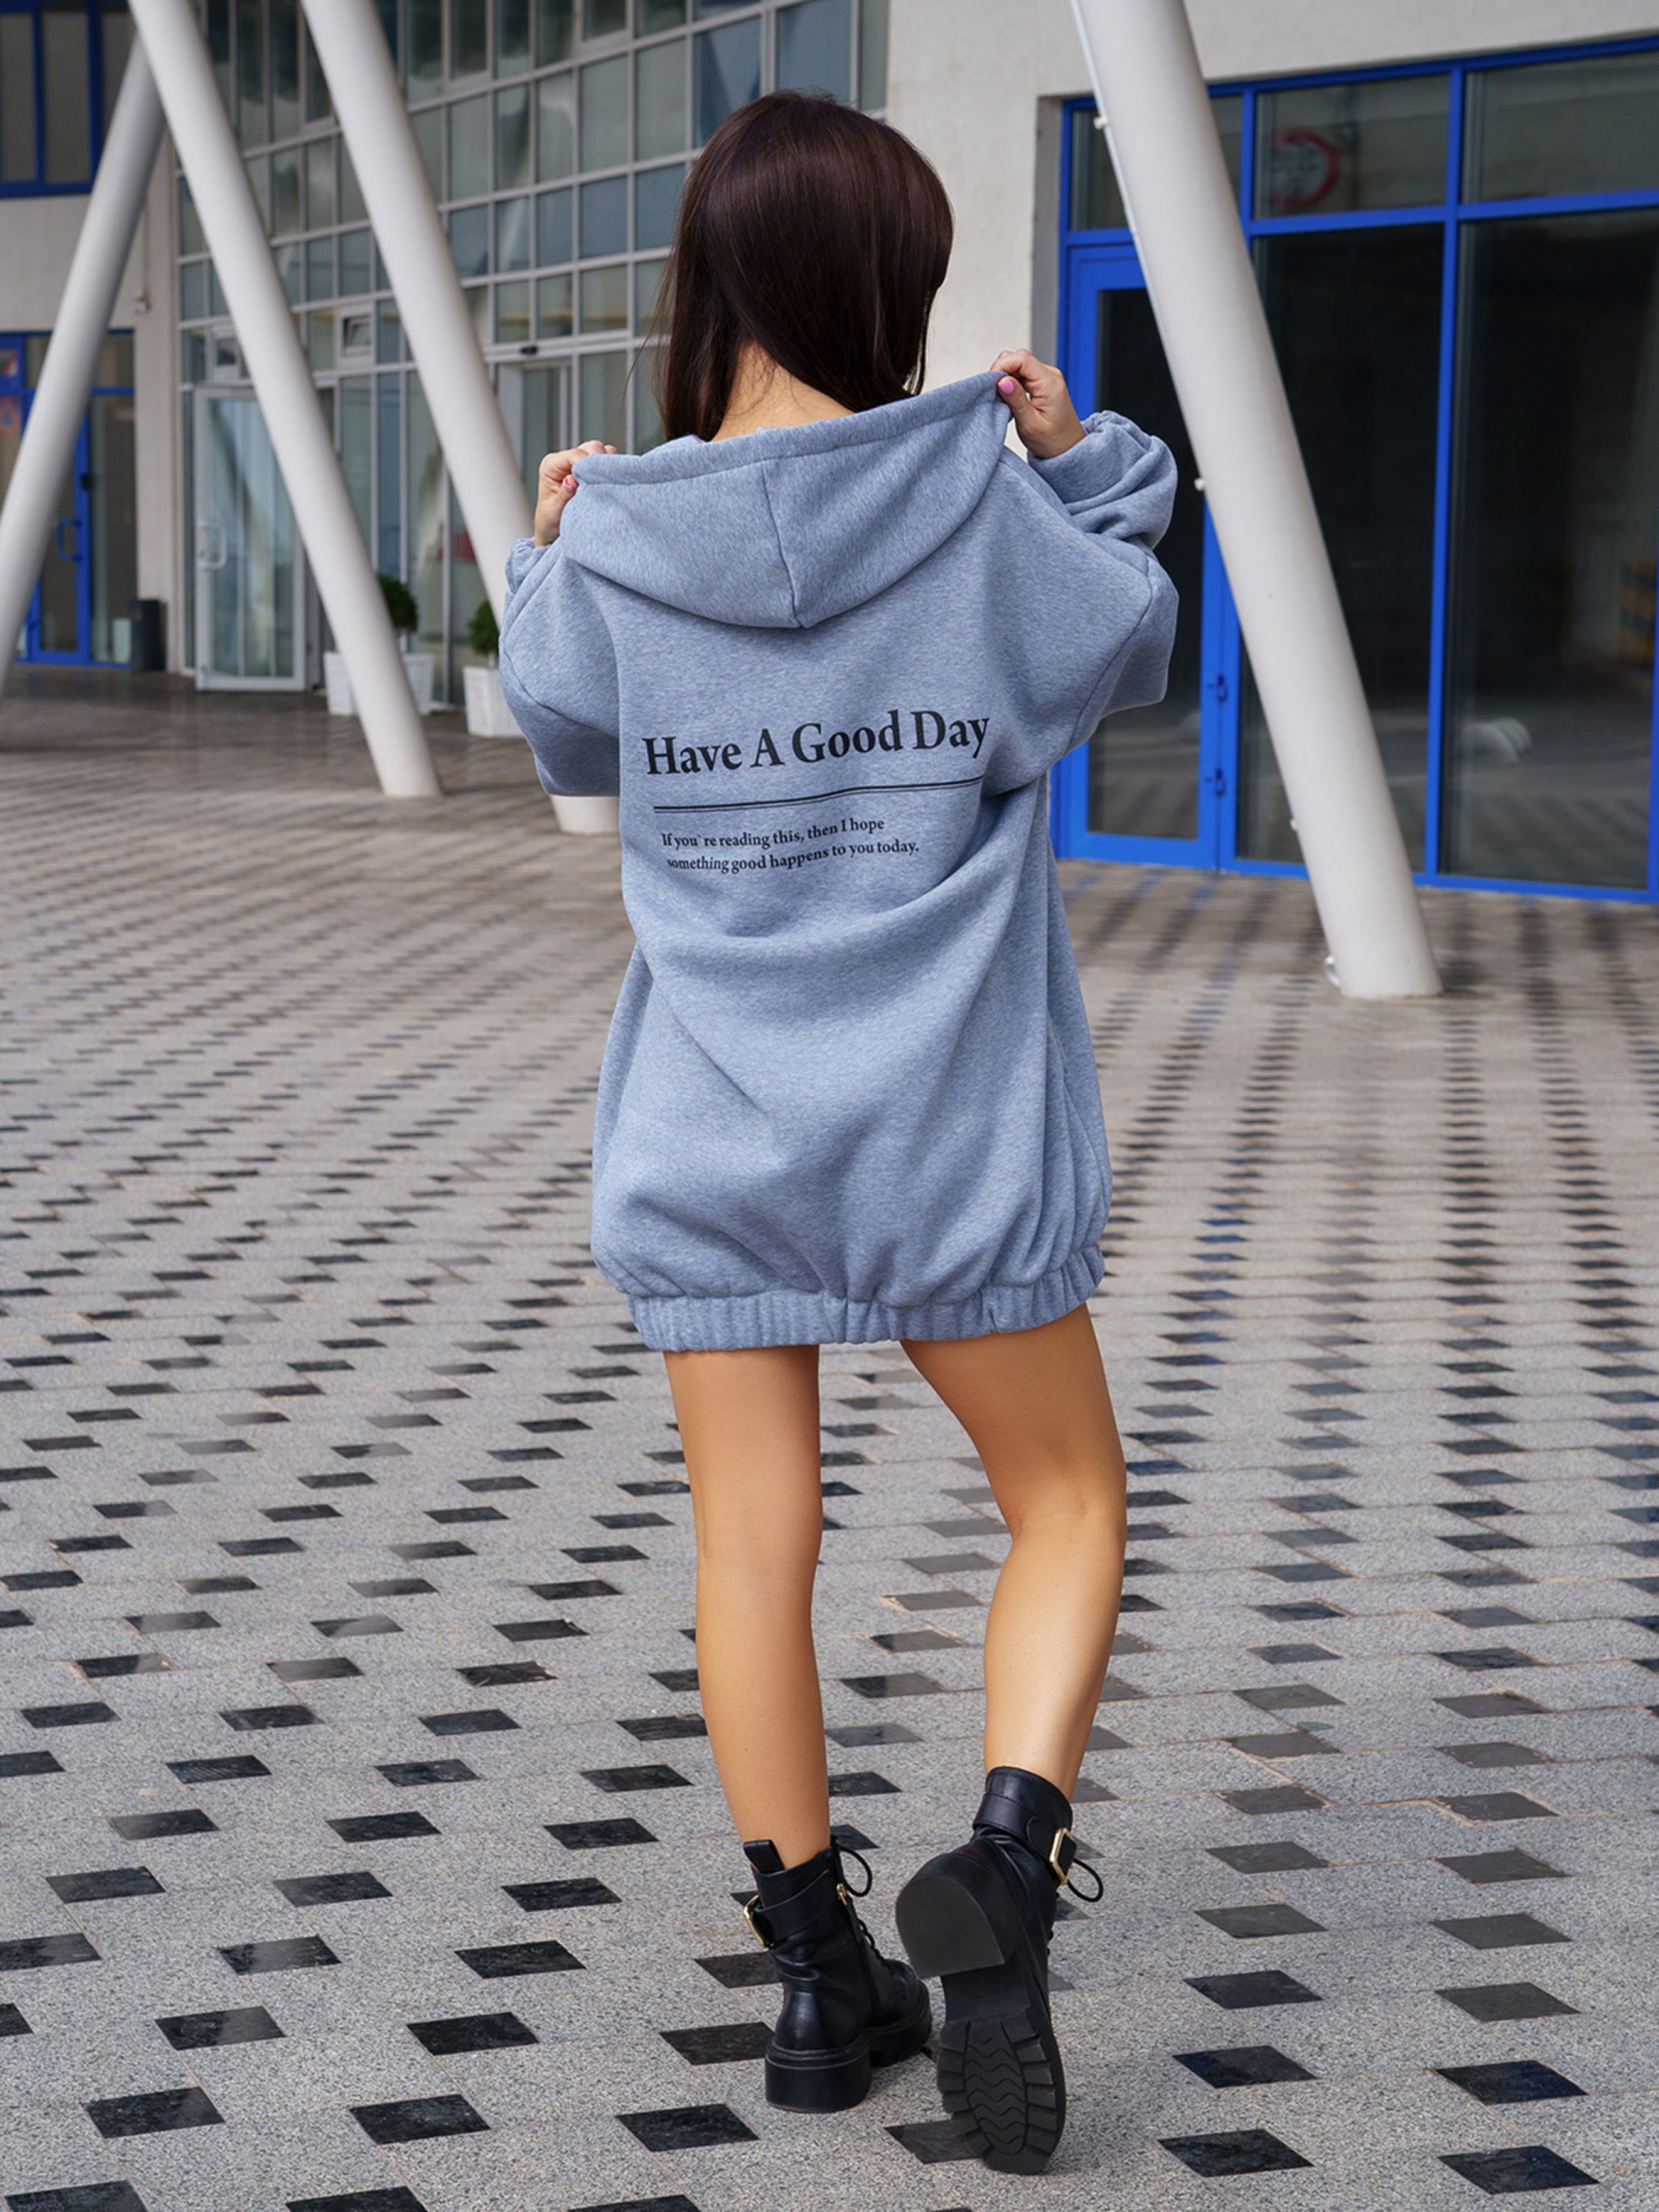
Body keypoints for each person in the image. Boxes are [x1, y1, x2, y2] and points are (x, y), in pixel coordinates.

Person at [500, 90, 1176, 2177]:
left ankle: (815, 1980)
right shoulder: (976, 502)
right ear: (889, 285)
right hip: (947, 1119)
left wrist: (551, 543)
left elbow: (563, 725)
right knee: (1064, 1497)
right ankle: (1001, 1864)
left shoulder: (621, 534)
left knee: (749, 1547)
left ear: (703, 281)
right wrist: (1086, 459)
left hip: (712, 1125)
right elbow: (1125, 641)